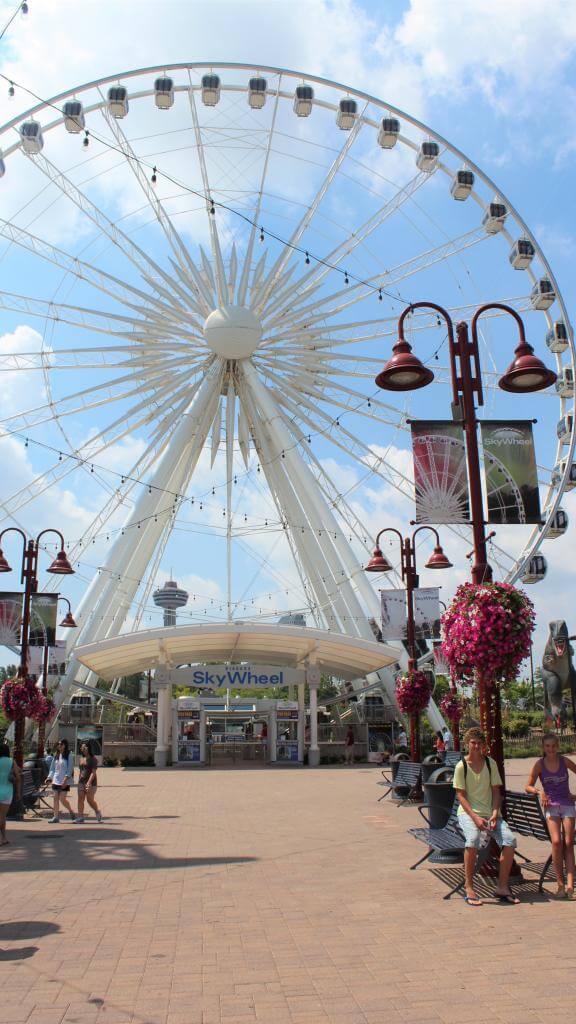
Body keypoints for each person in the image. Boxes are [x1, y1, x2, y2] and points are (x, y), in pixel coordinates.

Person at [452, 727, 519, 907]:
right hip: (468, 813)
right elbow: (461, 795)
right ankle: (469, 886)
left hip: (491, 814)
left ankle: (502, 887)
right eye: (473, 743)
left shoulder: (491, 764)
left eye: (479, 743)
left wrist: (496, 812)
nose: (476, 746)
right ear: (467, 744)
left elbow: (496, 791)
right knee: (472, 839)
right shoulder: (462, 766)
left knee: (510, 840)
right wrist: (474, 817)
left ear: (483, 745)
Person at [525, 732, 576, 898]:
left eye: (553, 746)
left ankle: (570, 886)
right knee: (556, 841)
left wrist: (573, 795)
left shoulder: (564, 761)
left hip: (567, 805)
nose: (551, 749)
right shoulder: (539, 764)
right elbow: (528, 786)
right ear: (543, 747)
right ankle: (560, 884)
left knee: (568, 842)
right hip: (551, 806)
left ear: (558, 746)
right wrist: (540, 792)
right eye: (547, 746)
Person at [47, 739, 75, 823]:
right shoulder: (57, 754)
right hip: (56, 779)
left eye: (61, 744)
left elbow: (70, 769)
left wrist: (65, 780)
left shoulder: (68, 755)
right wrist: (49, 777)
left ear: (65, 745)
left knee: (62, 799)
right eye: (58, 744)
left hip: (64, 780)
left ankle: (71, 811)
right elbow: (52, 768)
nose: (59, 746)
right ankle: (55, 817)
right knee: (55, 798)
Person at [75, 740, 102, 823]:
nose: (83, 748)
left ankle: (97, 811)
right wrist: (78, 780)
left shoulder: (93, 759)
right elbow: (80, 770)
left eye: (85, 747)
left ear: (89, 748)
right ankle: (80, 817)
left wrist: (89, 783)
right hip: (81, 782)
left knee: (89, 800)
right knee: (80, 798)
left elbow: (93, 773)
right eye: (82, 747)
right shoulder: (81, 758)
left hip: (91, 783)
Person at [0, 741, 20, 846]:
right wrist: (18, 792)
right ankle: (3, 838)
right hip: (7, 792)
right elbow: (18, 777)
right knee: (2, 816)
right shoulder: (11, 761)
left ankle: (3, 838)